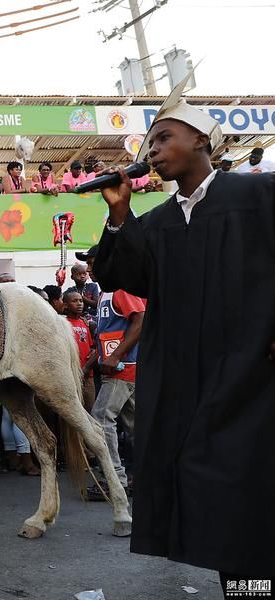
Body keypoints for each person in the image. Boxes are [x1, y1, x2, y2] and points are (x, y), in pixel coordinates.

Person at [92, 94, 275, 582]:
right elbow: (124, 278)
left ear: (201, 140)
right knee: (216, 500)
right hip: (184, 384)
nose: (151, 150)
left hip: (251, 375)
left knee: (250, 493)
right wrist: (118, 215)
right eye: (149, 142)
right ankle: (244, 590)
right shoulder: (156, 223)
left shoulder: (257, 196)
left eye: (163, 137)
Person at [83, 286, 144, 502]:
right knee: (137, 426)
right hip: (121, 368)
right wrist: (87, 368)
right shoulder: (104, 295)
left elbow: (140, 321)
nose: (90, 269)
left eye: (93, 263)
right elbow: (105, 337)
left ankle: (114, 480)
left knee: (100, 422)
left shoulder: (122, 291)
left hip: (122, 369)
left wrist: (116, 356)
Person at [62, 290, 97, 412]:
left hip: (88, 376)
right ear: (65, 304)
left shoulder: (86, 323)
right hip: (71, 376)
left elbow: (91, 345)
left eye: (81, 301)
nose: (79, 304)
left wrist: (93, 351)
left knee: (90, 409)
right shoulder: (62, 323)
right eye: (74, 301)